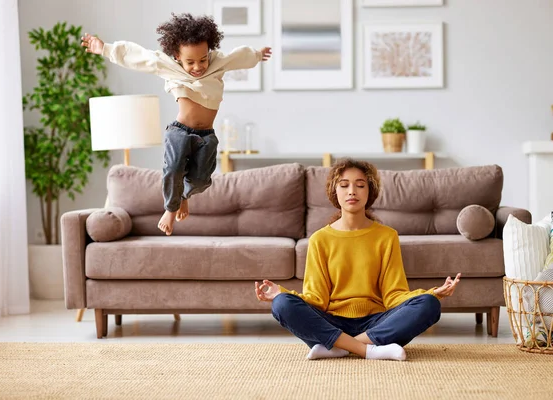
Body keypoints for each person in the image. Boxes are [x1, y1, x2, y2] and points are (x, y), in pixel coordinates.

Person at [81, 13, 272, 235]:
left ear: (209, 51)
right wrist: (104, 48)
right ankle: (170, 209)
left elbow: (238, 57)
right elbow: (138, 57)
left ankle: (183, 197)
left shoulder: (219, 63)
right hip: (179, 131)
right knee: (173, 169)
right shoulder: (168, 66)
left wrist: (257, 55)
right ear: (177, 56)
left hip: (206, 136)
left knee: (201, 180)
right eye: (190, 62)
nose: (198, 67)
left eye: (203, 59)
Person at [254, 158, 461, 361]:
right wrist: (282, 294)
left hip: (376, 323)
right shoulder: (320, 239)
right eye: (344, 185)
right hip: (331, 322)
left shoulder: (386, 236)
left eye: (360, 185)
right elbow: (316, 298)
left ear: (369, 192)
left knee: (429, 304)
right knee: (282, 304)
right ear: (334, 192)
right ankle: (368, 350)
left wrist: (432, 293)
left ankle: (339, 347)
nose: (352, 191)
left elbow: (394, 294)